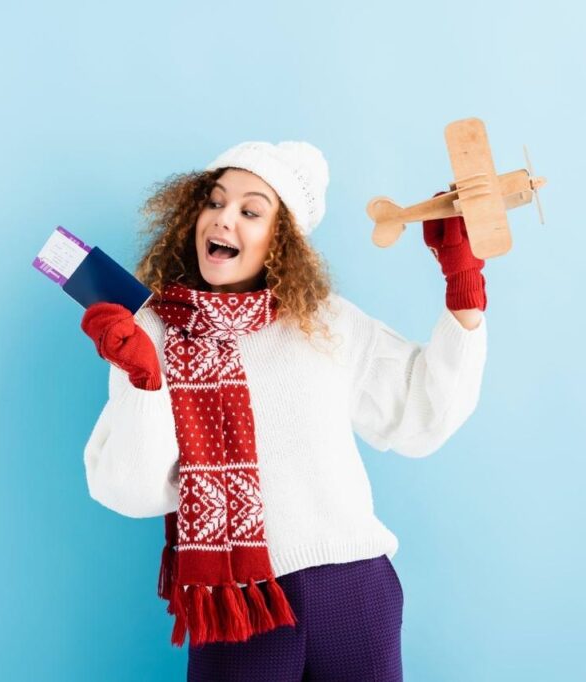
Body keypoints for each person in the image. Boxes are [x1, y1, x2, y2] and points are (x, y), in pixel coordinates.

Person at [80, 141, 488, 682]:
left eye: (251, 211)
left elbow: (421, 415)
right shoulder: (151, 329)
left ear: (281, 239)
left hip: (352, 590)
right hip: (237, 604)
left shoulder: (323, 320)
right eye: (214, 201)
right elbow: (127, 490)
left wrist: (463, 288)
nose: (224, 218)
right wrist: (145, 381)